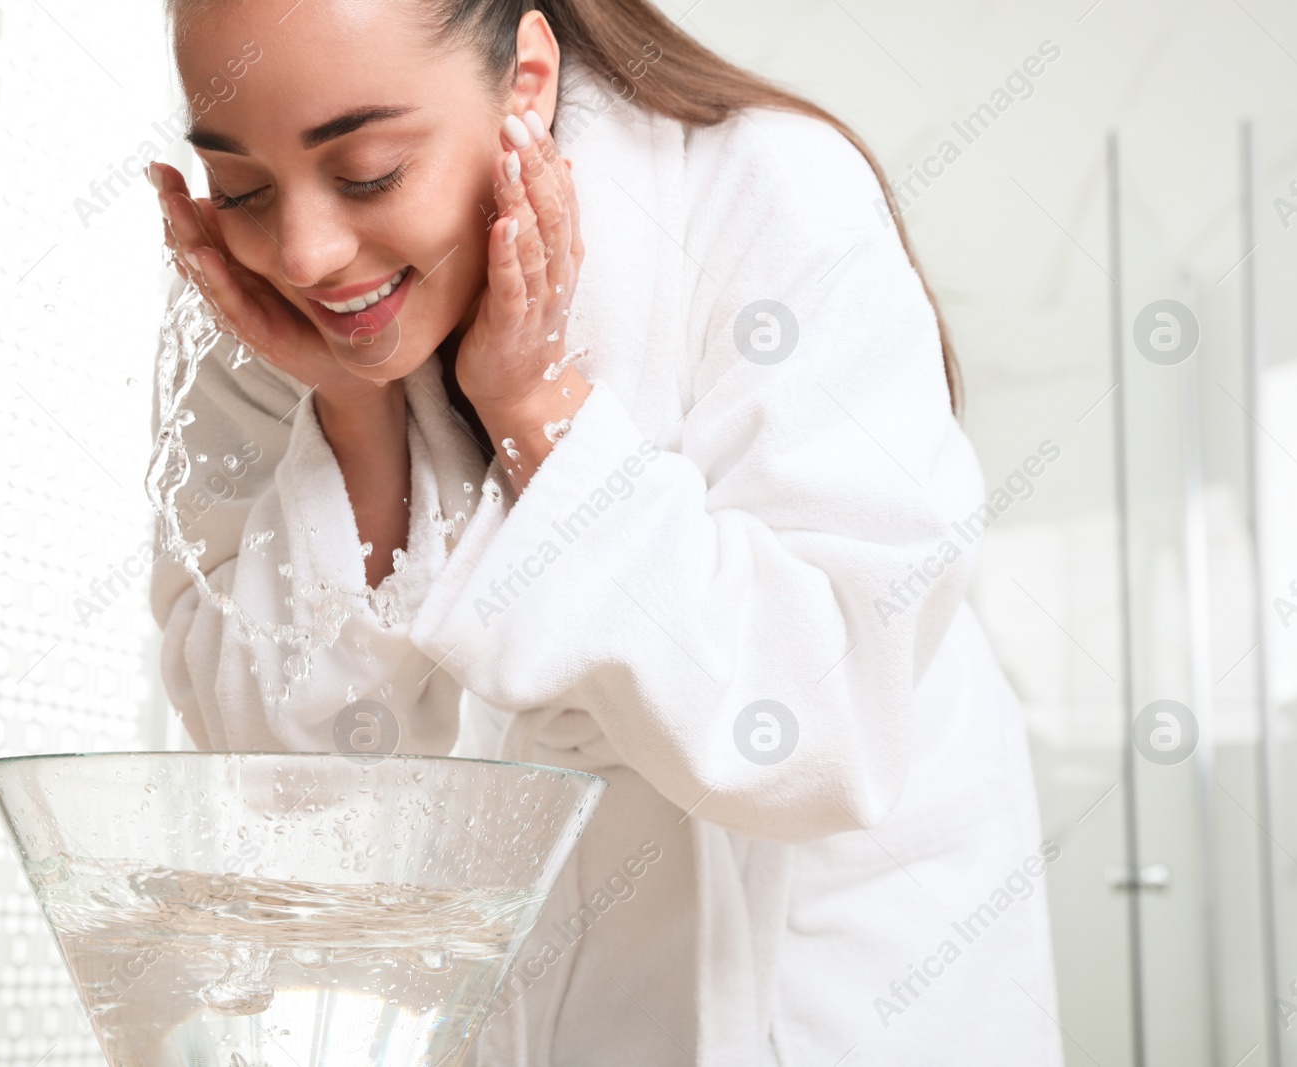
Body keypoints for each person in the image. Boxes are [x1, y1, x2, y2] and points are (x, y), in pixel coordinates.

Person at [147, 0, 1064, 1063]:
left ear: (524, 87)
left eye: (368, 173)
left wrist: (537, 409)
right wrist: (353, 418)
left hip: (837, 982)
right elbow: (289, 792)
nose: (303, 252)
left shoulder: (770, 195)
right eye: (242, 186)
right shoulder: (266, 312)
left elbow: (824, 718)